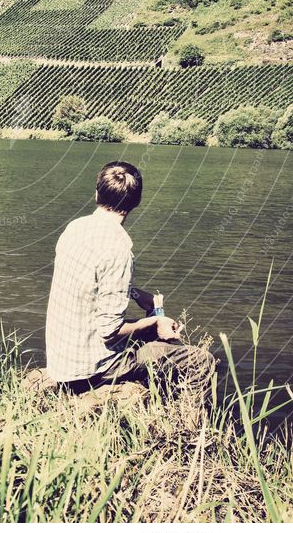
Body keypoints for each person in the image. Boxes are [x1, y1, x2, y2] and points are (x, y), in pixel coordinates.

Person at [45, 161, 215, 398]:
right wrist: (155, 322)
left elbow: (91, 281)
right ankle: (194, 425)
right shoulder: (118, 249)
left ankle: (160, 393)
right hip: (90, 368)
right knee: (200, 361)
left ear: (96, 194)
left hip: (60, 358)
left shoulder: (75, 227)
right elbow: (110, 332)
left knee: (150, 330)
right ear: (136, 201)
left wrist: (133, 293)